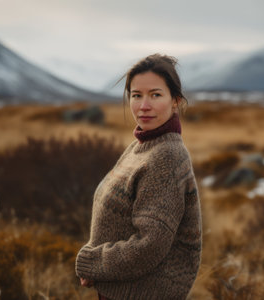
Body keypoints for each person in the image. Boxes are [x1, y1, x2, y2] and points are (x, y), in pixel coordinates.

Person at [75, 54, 202, 300]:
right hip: (124, 289)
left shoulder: (167, 156)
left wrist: (94, 262)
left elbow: (150, 245)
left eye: (155, 95)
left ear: (175, 101)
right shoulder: (143, 145)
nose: (144, 105)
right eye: (136, 95)